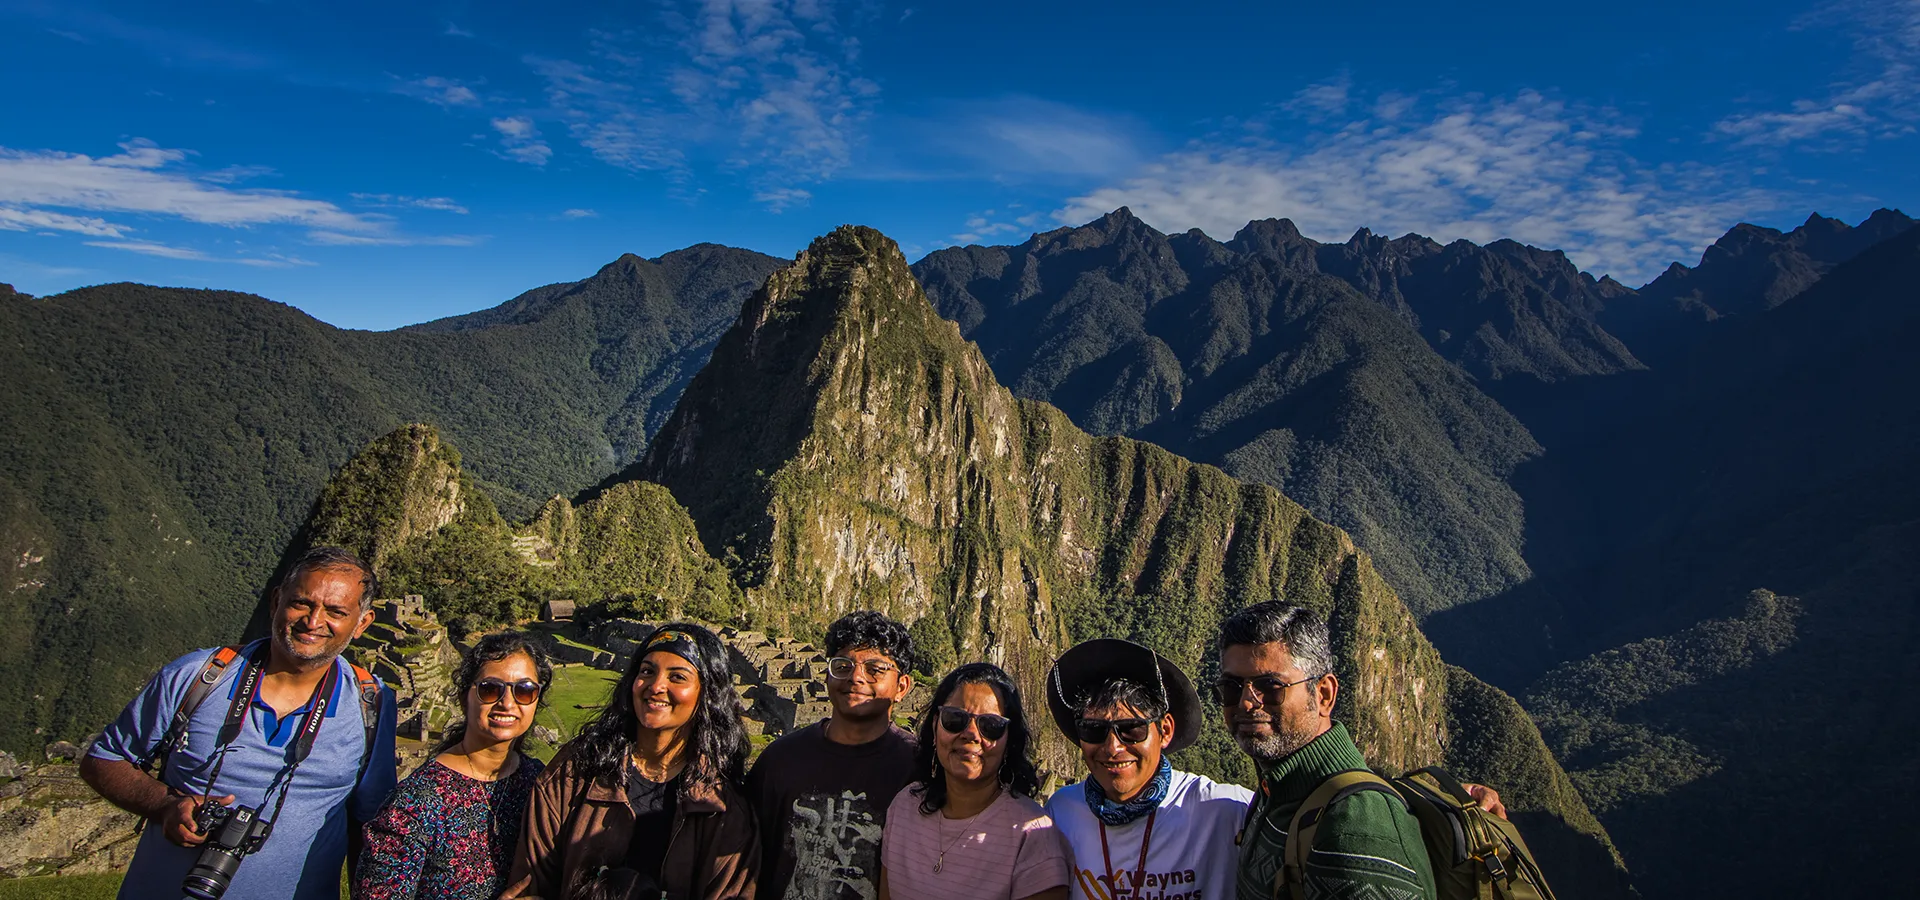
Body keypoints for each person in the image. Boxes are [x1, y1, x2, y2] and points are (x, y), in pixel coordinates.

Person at [80, 546, 399, 900]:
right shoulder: (196, 677)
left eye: (335, 611)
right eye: (302, 603)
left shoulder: (372, 703)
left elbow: (371, 822)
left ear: (362, 623)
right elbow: (103, 760)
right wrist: (165, 804)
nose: (313, 622)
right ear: (277, 600)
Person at [503, 622, 758, 900]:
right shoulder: (576, 772)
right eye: (647, 671)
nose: (656, 686)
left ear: (706, 694)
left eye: (678, 677)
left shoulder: (721, 808)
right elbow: (529, 885)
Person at [1220, 601, 1434, 900]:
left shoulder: (1357, 827)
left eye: (1269, 686)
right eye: (1232, 686)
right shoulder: (1275, 793)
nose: (1245, 702)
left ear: (1323, 694)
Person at [1042, 639, 1254, 900]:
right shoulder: (1061, 814)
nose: (1112, 747)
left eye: (1131, 729)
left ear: (1164, 730)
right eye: (1093, 730)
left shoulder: (1224, 812)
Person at [354, 631, 553, 900]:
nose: (507, 703)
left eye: (525, 691)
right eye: (490, 689)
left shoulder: (539, 782)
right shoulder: (416, 801)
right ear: (464, 698)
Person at [747, 611, 919, 900]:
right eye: (842, 665)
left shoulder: (919, 767)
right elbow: (747, 855)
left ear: (902, 686)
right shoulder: (782, 759)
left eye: (875, 669)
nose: (856, 678)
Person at [878, 662, 1070, 900]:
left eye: (990, 726)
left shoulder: (1031, 833)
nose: (971, 734)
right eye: (955, 719)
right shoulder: (905, 806)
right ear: (935, 726)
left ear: (1009, 742)